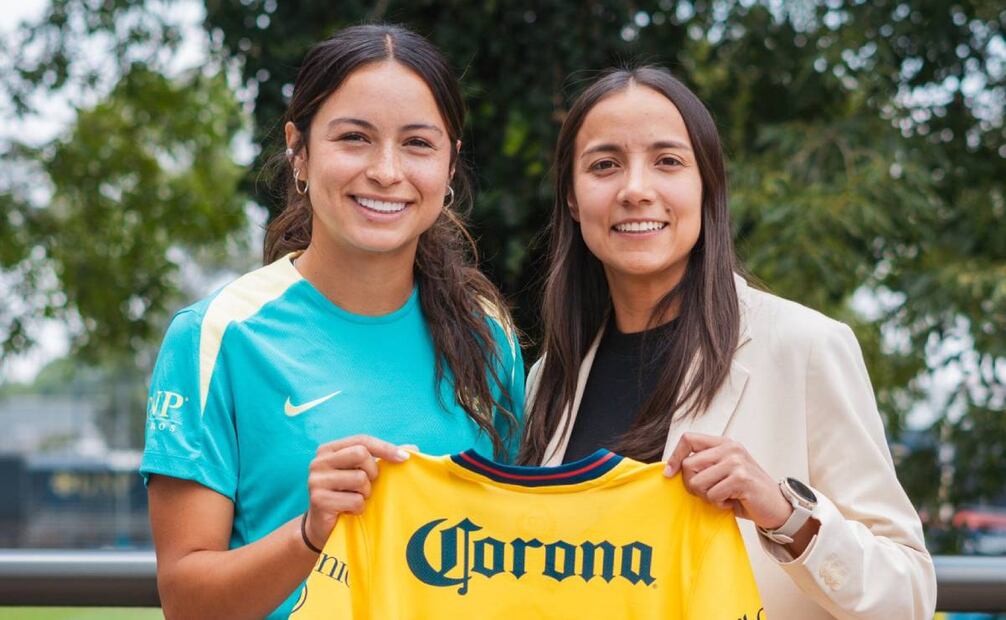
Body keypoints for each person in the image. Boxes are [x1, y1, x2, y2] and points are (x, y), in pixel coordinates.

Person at [520, 66, 936, 619]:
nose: (636, 189)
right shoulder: (549, 380)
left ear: (706, 185)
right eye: (604, 165)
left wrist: (784, 515)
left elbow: (909, 594)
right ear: (572, 199)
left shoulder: (805, 347)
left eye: (668, 161)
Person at [141, 24, 523, 619]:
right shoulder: (215, 335)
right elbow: (186, 602)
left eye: (418, 144)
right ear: (300, 150)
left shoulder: (488, 336)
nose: (386, 171)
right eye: (354, 138)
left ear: (450, 166)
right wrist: (309, 532)